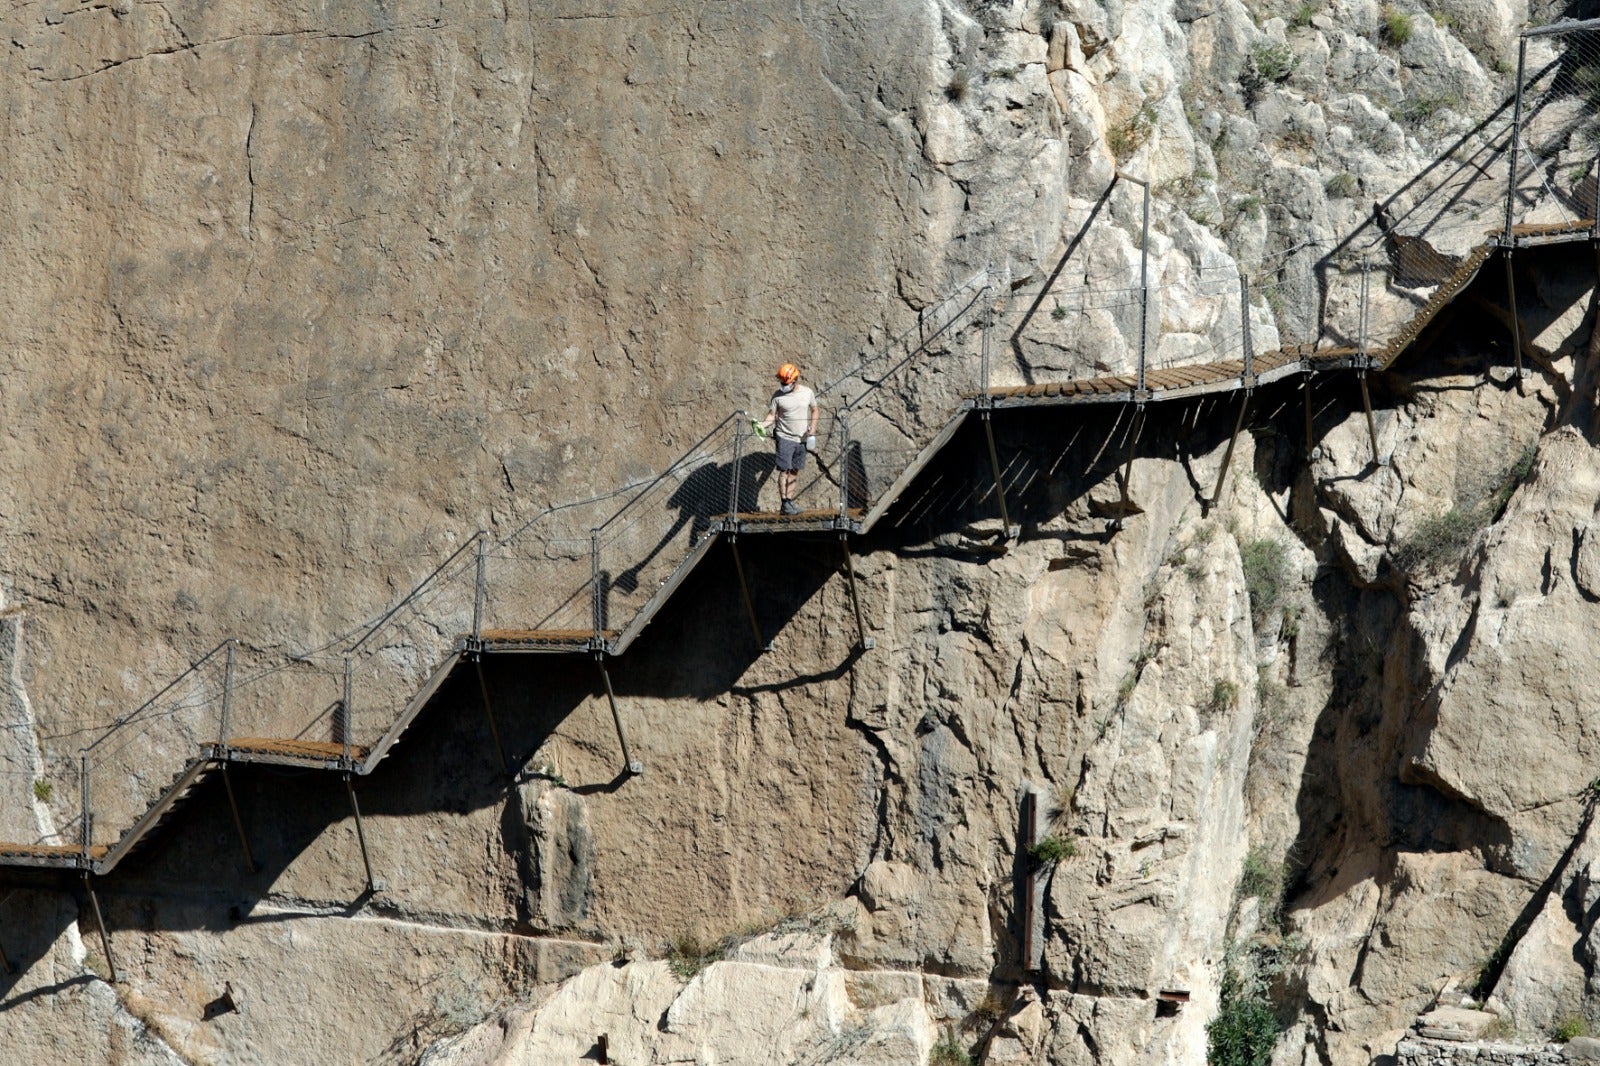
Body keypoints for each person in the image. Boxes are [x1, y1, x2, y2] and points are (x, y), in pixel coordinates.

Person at [756, 362, 818, 515]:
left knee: (795, 470)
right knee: (784, 471)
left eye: (786, 383)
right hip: (784, 437)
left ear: (795, 380)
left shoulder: (807, 392)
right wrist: (762, 425)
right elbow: (772, 416)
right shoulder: (777, 396)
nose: (783, 385)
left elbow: (815, 410)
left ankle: (789, 501)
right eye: (781, 382)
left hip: (802, 438)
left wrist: (813, 427)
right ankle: (784, 503)